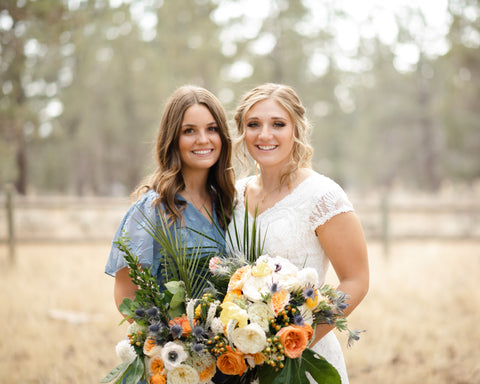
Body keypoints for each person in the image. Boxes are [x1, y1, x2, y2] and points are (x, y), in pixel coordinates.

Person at [230, 83, 369, 384]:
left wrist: (297, 340)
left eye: (278, 124)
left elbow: (356, 280)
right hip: (239, 361)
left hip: (301, 361)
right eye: (254, 124)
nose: (264, 134)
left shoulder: (322, 196)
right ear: (243, 131)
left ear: (296, 129)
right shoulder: (234, 195)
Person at [105, 85, 235, 383]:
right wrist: (170, 345)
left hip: (224, 362)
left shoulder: (228, 204)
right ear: (172, 139)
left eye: (212, 129)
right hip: (170, 362)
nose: (203, 139)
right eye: (189, 130)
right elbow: (126, 293)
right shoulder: (152, 209)